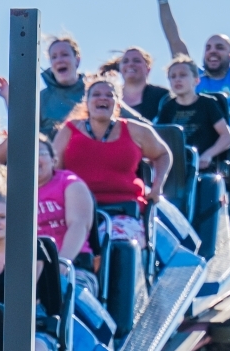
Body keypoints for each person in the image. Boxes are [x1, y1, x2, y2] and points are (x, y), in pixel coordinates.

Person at [159, 0, 230, 158]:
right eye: (208, 48)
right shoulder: (194, 78)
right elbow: (174, 40)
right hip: (198, 159)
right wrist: (163, 3)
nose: (212, 51)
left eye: (220, 47)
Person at [53, 78, 174, 221]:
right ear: (87, 102)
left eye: (109, 95)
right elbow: (53, 169)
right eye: (96, 94)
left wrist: (157, 187)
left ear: (117, 103)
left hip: (124, 208)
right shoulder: (69, 130)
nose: (103, 98)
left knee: (119, 236)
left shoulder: (136, 130)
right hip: (76, 207)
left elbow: (162, 154)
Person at [0, 168, 62, 333]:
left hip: (30, 319)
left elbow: (23, 293)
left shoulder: (31, 247)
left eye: (2, 217)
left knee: (36, 347)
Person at [155, 53, 230, 173]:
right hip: (175, 169)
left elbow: (227, 137)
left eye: (183, 75)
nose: (177, 79)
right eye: (173, 76)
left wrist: (208, 155)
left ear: (196, 80)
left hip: (205, 169)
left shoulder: (208, 103)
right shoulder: (167, 108)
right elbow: (158, 138)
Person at [36, 136, 97, 266]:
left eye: (40, 153)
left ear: (53, 160)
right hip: (27, 266)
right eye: (27, 154)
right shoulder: (8, 189)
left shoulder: (69, 183)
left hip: (72, 263)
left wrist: (62, 263)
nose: (33, 158)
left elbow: (78, 224)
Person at [101, 46, 168, 119]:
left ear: (148, 69)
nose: (130, 64)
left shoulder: (163, 96)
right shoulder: (109, 95)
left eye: (136, 61)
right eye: (125, 61)